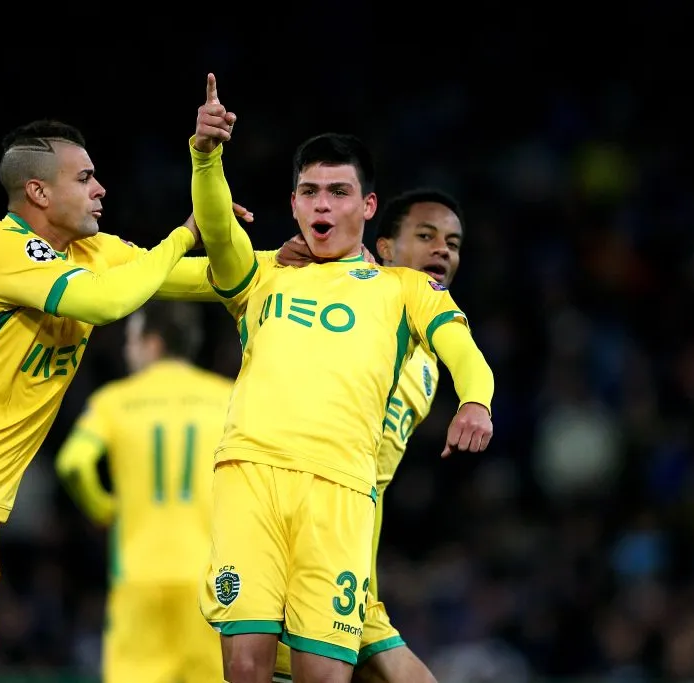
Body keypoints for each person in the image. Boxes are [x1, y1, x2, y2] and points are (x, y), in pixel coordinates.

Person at [0, 118, 250, 683]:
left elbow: (197, 280)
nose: (101, 189)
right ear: (39, 192)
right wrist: (182, 234)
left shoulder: (92, 252)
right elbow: (107, 303)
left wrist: (292, 266)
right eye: (86, 177)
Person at [189, 73, 495, 683]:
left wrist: (476, 401)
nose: (322, 204)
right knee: (245, 666)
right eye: (309, 192)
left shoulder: (403, 289)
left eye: (337, 191)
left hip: (342, 492)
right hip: (250, 474)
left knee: (324, 674)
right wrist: (206, 156)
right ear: (295, 202)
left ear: (367, 205)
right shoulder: (263, 275)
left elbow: (461, 345)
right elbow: (219, 234)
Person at [271, 188, 466, 682]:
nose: (443, 249)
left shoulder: (430, 357)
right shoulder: (350, 309)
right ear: (383, 248)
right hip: (304, 542)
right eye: (425, 235)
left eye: (453, 242)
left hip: (356, 555)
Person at [55, 300, 231, 683]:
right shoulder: (229, 398)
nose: (125, 349)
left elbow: (72, 463)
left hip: (138, 575)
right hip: (211, 580)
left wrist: (103, 508)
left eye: (131, 339)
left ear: (153, 343)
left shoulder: (113, 402)